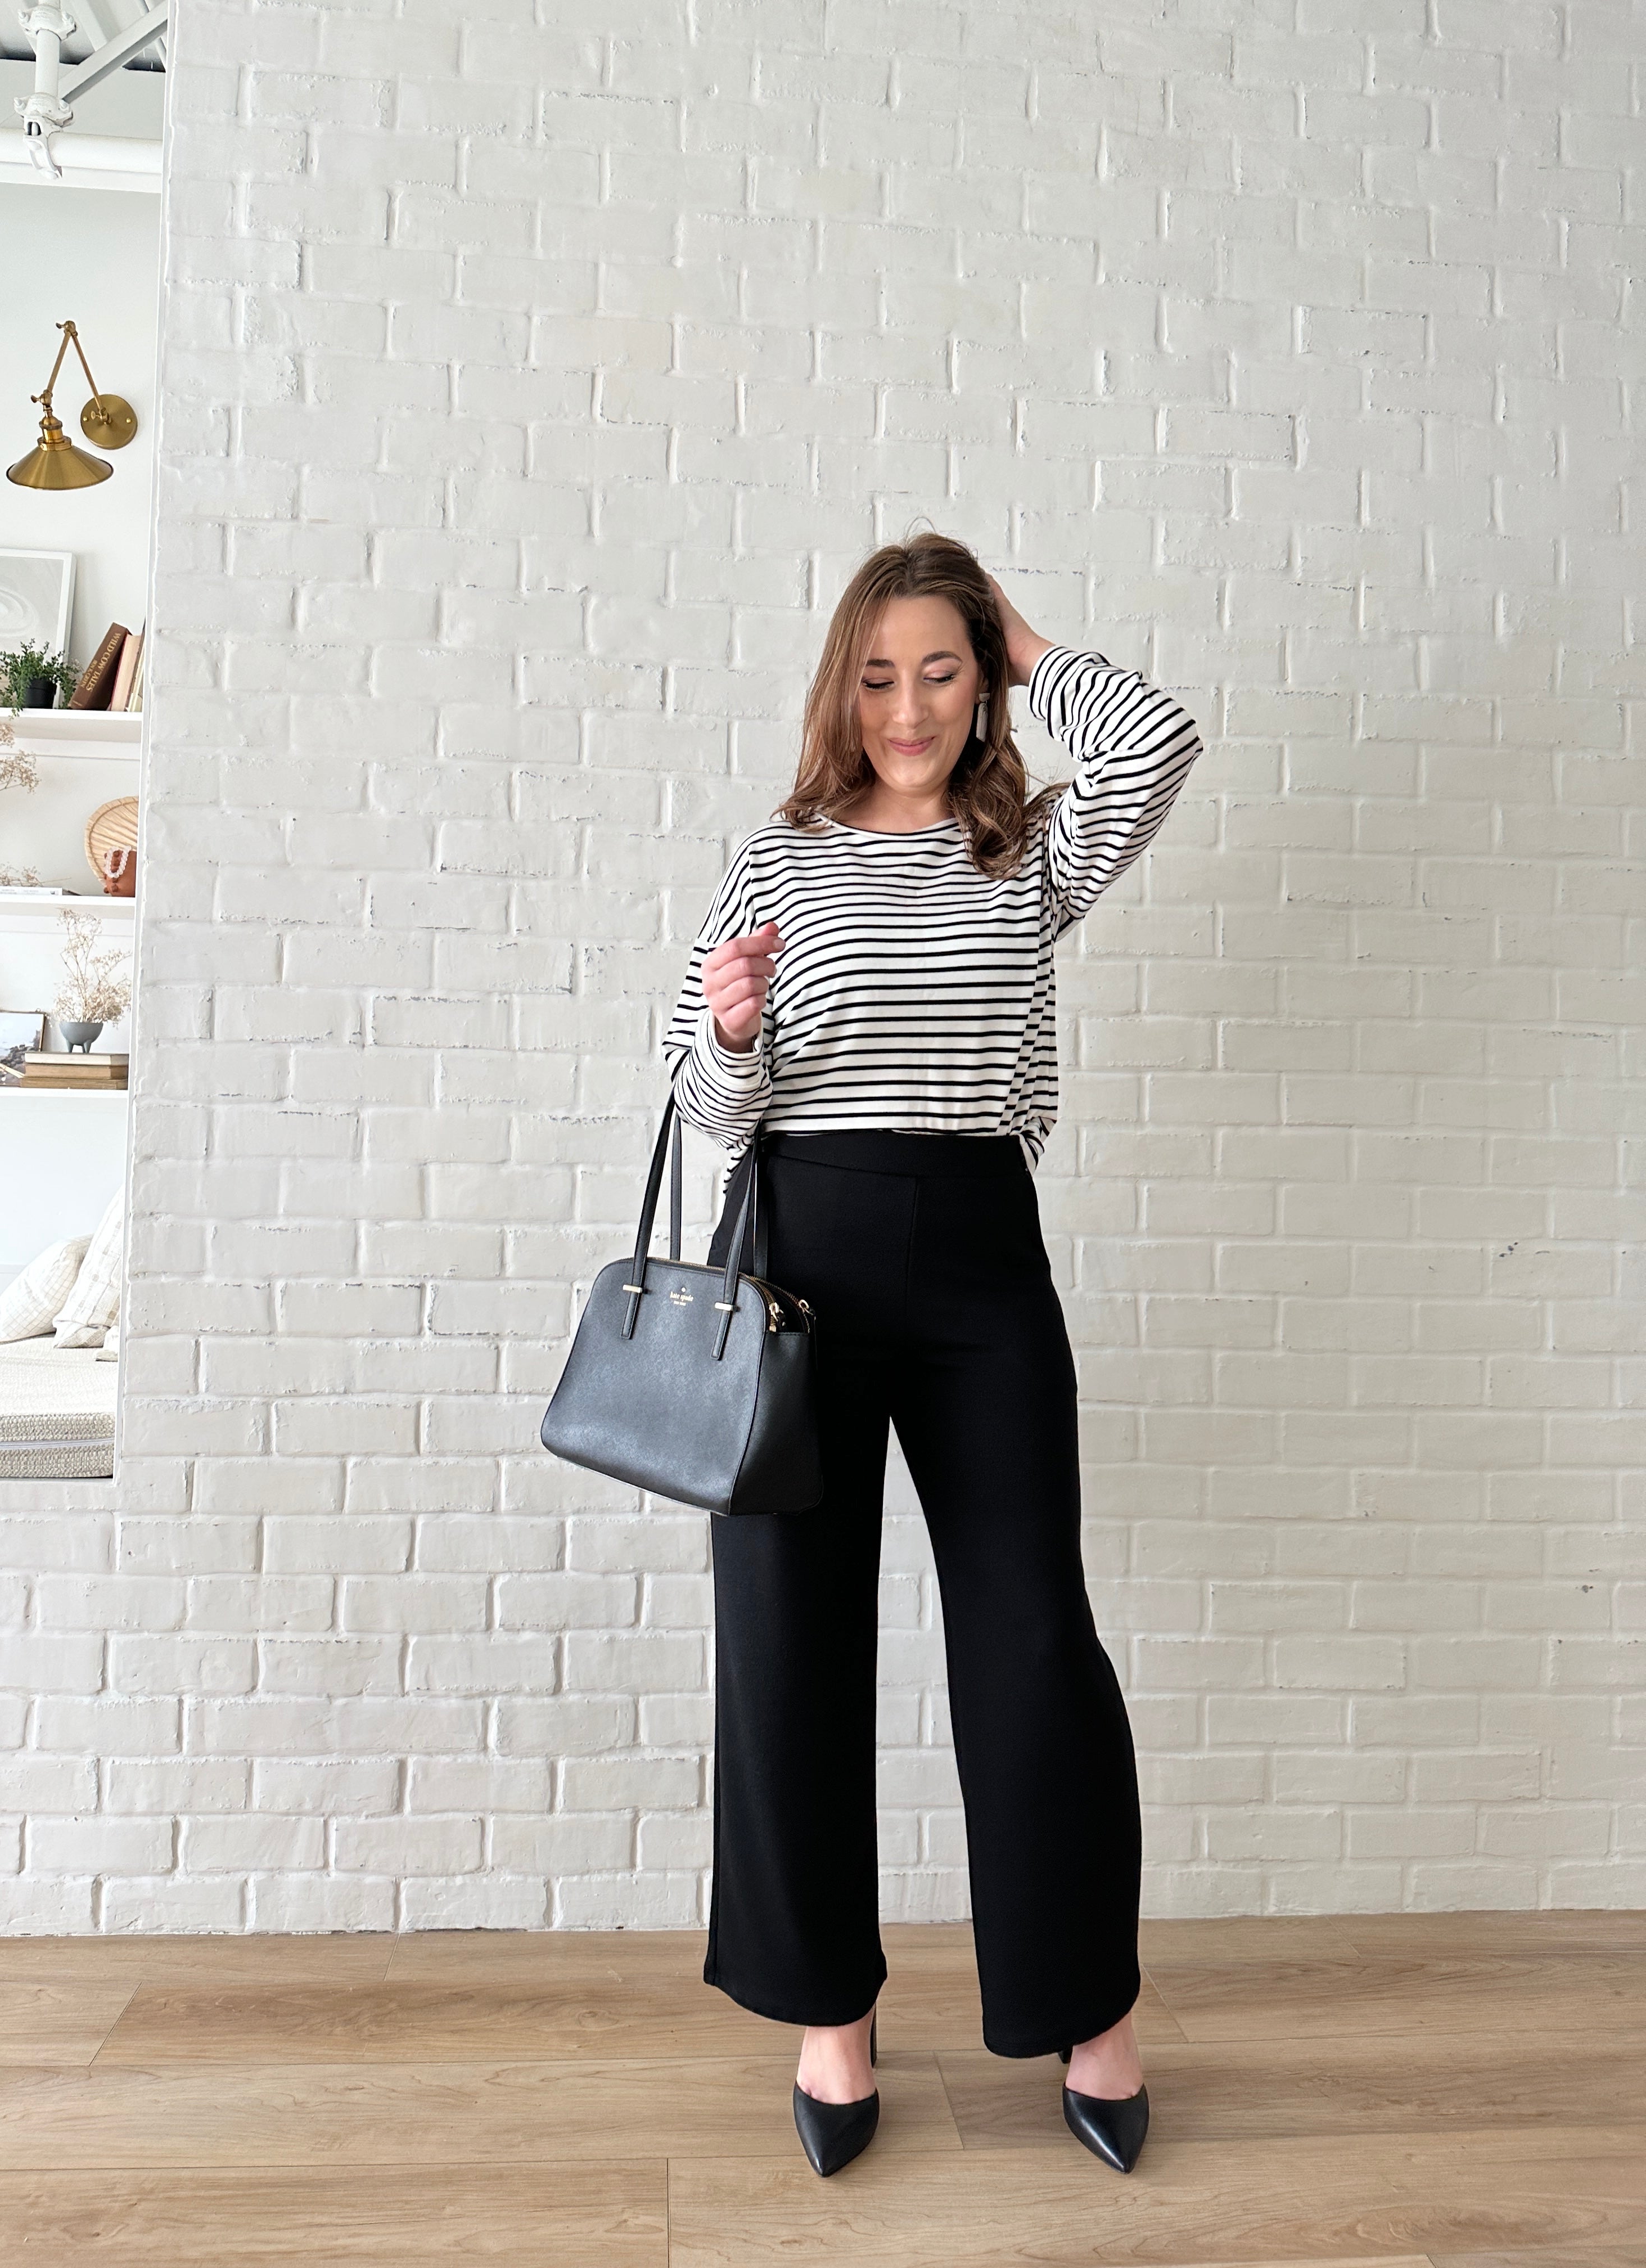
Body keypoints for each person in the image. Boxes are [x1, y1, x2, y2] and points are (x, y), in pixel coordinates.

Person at [659, 530, 1205, 2178]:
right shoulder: (780, 853)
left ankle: (1085, 2008)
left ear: (984, 686)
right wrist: (735, 1031)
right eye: (880, 675)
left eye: (944, 670)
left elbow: (1162, 737)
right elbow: (701, 1104)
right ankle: (832, 2015)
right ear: (845, 686)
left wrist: (1027, 632)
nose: (908, 706)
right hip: (798, 1265)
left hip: (979, 1262)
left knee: (1036, 1644)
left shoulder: (1026, 848)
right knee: (790, 1652)